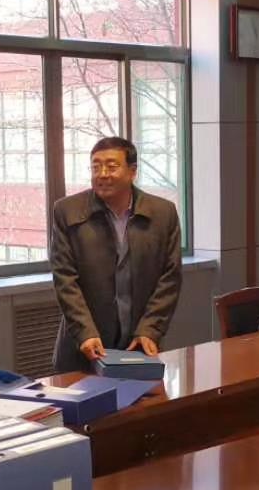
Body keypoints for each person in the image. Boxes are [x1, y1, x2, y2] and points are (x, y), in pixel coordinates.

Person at [49, 136, 182, 373]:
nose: (102, 174)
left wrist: (150, 329)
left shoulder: (163, 213)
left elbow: (170, 277)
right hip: (84, 347)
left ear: (132, 171)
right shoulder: (67, 211)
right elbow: (65, 279)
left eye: (111, 167)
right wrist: (85, 332)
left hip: (139, 345)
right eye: (95, 167)